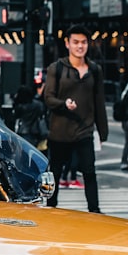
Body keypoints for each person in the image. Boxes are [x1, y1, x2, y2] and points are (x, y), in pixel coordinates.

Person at [43, 24, 107, 213]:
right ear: (67, 44)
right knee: (55, 172)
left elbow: (99, 102)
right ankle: (51, 208)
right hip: (60, 131)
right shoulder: (57, 68)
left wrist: (102, 132)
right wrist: (64, 104)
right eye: (76, 42)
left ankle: (94, 211)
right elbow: (48, 97)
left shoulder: (95, 70)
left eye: (84, 42)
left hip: (84, 131)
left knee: (89, 172)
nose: (80, 46)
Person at [11, 84, 48, 148]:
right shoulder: (38, 104)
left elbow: (15, 116)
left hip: (23, 130)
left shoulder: (20, 107)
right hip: (35, 130)